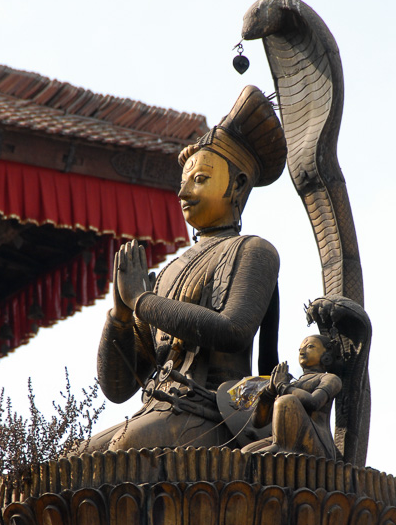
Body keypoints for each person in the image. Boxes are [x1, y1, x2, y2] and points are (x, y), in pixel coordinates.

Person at [85, 86, 287, 452]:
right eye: (183, 183)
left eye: (200, 180)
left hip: (215, 411)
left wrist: (141, 300)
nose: (183, 193)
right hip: (158, 408)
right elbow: (118, 389)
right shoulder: (166, 273)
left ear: (238, 185)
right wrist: (119, 313)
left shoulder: (255, 251)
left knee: (121, 453)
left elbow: (234, 330)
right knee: (70, 463)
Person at [241, 334, 342, 459]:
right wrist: (269, 392)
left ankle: (282, 446)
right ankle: (280, 444)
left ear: (326, 356)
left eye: (310, 346)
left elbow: (314, 402)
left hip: (315, 440)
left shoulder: (330, 378)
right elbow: (258, 422)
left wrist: (283, 387)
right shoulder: (291, 385)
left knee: (287, 400)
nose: (302, 351)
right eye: (300, 349)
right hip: (285, 436)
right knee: (245, 453)